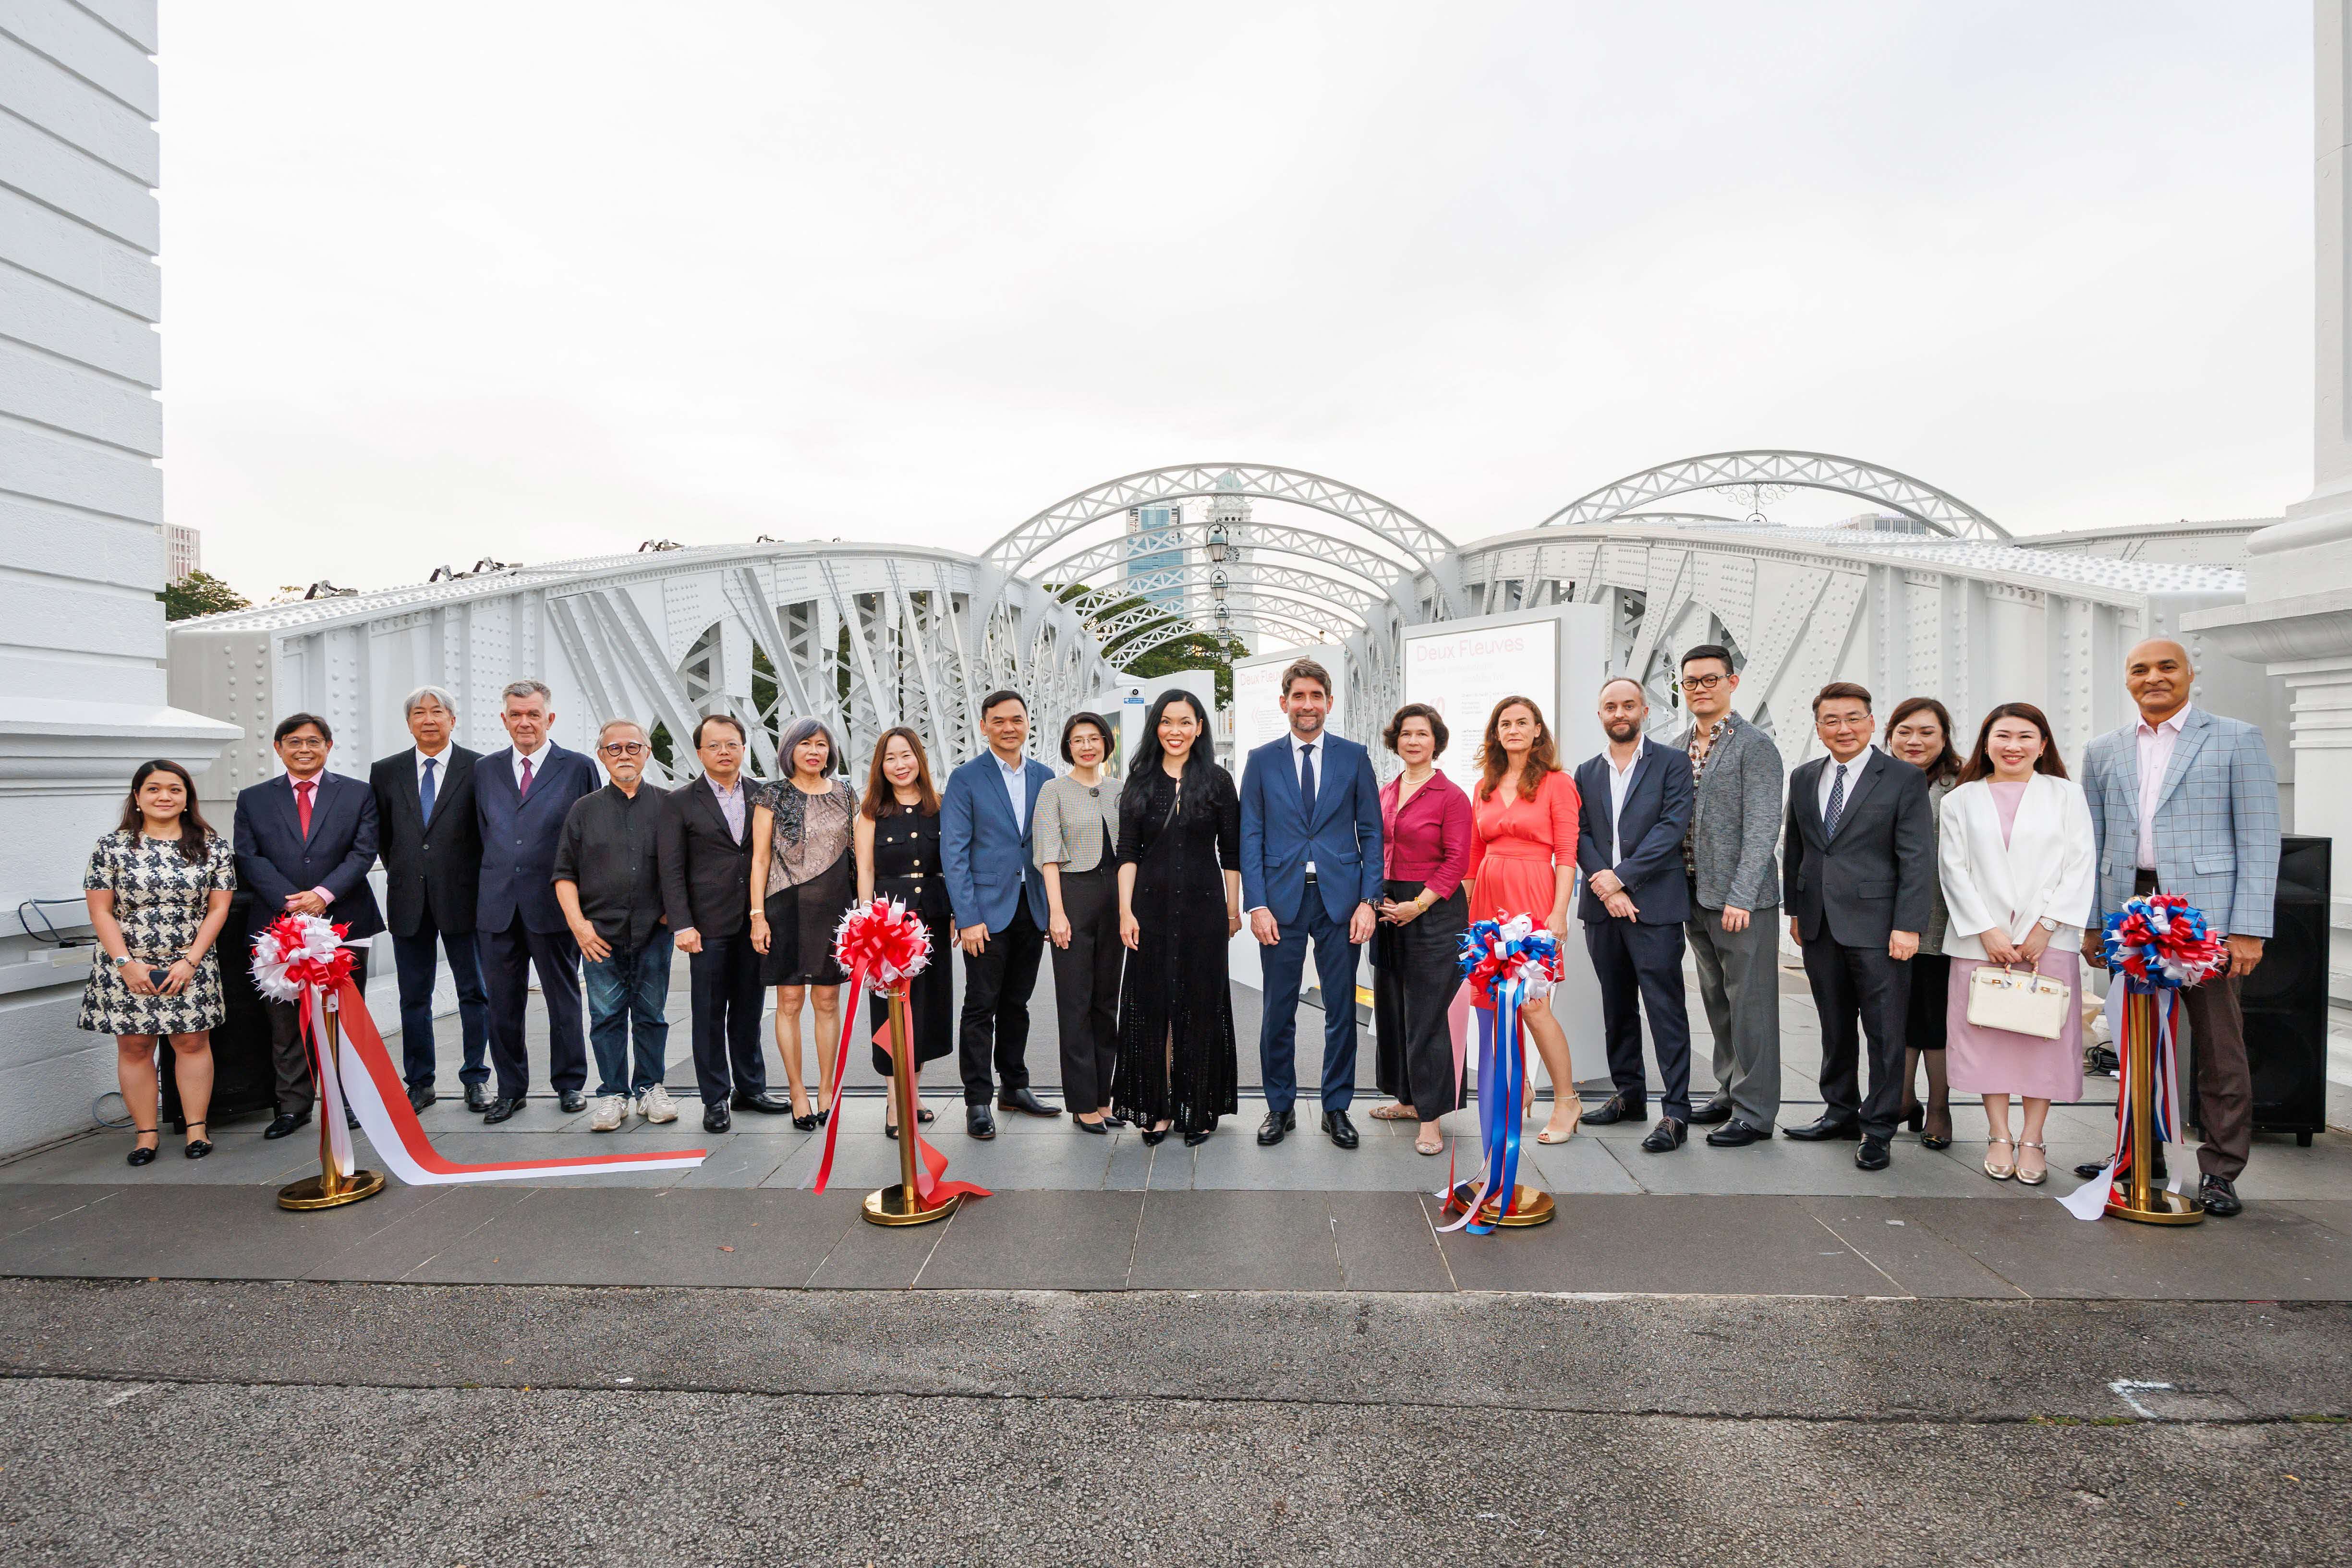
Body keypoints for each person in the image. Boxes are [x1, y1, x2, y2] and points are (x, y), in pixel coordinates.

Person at [2074, 639, 2279, 1217]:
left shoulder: (2235, 738)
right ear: (2127, 680)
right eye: (2139, 669)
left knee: (2217, 1043)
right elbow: (2093, 841)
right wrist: (2091, 923)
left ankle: (2220, 1169)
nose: (2153, 677)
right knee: (2134, 1040)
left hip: (2204, 916)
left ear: (2189, 673)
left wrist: (2248, 929)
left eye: (2166, 666)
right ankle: (2137, 1156)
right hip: (2128, 909)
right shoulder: (2102, 749)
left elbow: (2259, 838)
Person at [1939, 703, 2096, 1187]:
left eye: (2025, 736)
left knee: (2041, 1037)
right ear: (1985, 743)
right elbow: (1953, 869)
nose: (2013, 746)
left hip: (2047, 939)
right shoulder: (1960, 800)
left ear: (2042, 744)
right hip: (1980, 941)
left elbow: (2079, 863)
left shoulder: (2066, 795)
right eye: (2002, 736)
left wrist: (2045, 926)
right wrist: (1986, 929)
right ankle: (1998, 1133)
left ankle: (2032, 1137)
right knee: (1988, 1036)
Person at [1782, 681, 1935, 1171]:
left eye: (1852, 718)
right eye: (1831, 720)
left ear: (1871, 723)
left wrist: (1908, 925)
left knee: (1885, 1031)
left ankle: (1879, 1127)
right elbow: (1797, 848)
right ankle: (1839, 1112)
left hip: (1880, 926)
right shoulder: (1804, 777)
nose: (1842, 728)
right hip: (1819, 922)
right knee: (1834, 1025)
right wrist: (1795, 912)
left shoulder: (1903, 778)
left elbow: (1916, 857)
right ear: (1818, 727)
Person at [1238, 658, 1382, 1151]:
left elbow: (1372, 833)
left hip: (1341, 901)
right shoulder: (1261, 760)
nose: (1307, 705)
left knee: (1341, 1009)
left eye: (1315, 696)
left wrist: (1369, 900)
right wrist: (1256, 904)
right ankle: (1279, 1106)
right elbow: (1250, 835)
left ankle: (1335, 1107)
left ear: (1329, 702)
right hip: (1280, 902)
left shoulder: (1354, 757)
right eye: (1298, 696)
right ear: (1284, 703)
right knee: (1278, 1009)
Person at [232, 713, 385, 1140]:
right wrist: (291, 902)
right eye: (294, 741)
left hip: (343, 920)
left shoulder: (357, 793)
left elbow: (363, 852)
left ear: (328, 747)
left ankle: (348, 1099)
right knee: (284, 1020)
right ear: (279, 748)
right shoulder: (253, 798)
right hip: (275, 923)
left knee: (343, 1015)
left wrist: (323, 894)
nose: (304, 749)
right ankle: (293, 1105)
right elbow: (248, 856)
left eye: (314, 741)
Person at [80, 760, 235, 1164]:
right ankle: (145, 1135)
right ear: (137, 797)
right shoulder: (111, 846)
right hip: (126, 962)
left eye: (174, 789)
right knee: (135, 1045)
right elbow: (100, 911)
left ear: (187, 798)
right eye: (153, 789)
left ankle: (197, 1129)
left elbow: (218, 909)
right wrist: (126, 964)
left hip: (192, 958)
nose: (164, 796)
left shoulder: (213, 846)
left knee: (192, 1041)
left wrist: (190, 961)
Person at [1573, 678, 1697, 1154]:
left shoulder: (1671, 763)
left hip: (1654, 904)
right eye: (1610, 706)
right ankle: (1629, 1095)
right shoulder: (1586, 771)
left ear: (1644, 710)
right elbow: (1580, 833)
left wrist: (1620, 879)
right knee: (1617, 1005)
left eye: (1628, 705)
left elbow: (1671, 827)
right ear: (1600, 714)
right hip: (1602, 908)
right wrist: (1605, 885)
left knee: (1665, 1007)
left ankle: (1676, 1111)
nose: (1619, 713)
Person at [1114, 689, 1242, 1146]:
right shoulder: (1140, 781)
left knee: (1200, 1006)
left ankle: (1198, 1107)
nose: (1176, 731)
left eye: (1185, 722)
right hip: (1148, 908)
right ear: (1156, 727)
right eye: (1167, 722)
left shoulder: (1218, 782)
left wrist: (1232, 910)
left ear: (1200, 728)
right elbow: (1127, 853)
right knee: (1152, 1007)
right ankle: (1158, 1107)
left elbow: (1231, 853)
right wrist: (1125, 911)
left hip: (1205, 910)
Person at [473, 680, 600, 1124]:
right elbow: (482, 833)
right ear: (504, 719)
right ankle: (511, 1089)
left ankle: (570, 1083)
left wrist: (584, 908)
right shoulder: (485, 770)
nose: (524, 722)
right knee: (502, 1005)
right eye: (516, 714)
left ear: (550, 718)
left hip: (554, 904)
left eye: (533, 714)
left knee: (563, 999)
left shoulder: (578, 767)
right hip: (498, 905)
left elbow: (589, 838)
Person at [1673, 644, 1784, 1150]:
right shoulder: (1678, 746)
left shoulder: (1754, 745)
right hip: (1695, 895)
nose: (1700, 688)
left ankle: (1755, 1111)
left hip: (1741, 902)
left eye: (1710, 679)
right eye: (1691, 681)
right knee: (1718, 1001)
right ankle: (1728, 1089)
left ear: (1731, 682)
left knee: (1751, 1005)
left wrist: (1741, 895)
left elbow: (1763, 825)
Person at [658, 714, 789, 1134]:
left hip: (755, 921)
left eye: (732, 744)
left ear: (744, 749)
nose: (724, 752)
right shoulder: (679, 802)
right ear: (699, 752)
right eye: (714, 745)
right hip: (707, 925)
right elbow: (671, 869)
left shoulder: (763, 795)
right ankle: (715, 1097)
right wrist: (682, 924)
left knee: (750, 1011)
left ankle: (750, 1089)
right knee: (710, 1014)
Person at [941, 689, 1062, 1140]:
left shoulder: (1045, 776)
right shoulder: (966, 778)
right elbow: (954, 852)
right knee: (980, 1005)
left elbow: (1050, 844)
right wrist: (967, 916)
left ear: (1028, 723)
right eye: (999, 720)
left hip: (1032, 907)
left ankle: (1015, 1086)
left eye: (1017, 719)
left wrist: (1053, 909)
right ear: (984, 726)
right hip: (985, 913)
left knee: (1018, 1004)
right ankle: (977, 1099)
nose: (1009, 727)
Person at [1463, 695, 1583, 1143]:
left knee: (1533, 1005)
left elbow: (1567, 854)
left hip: (1534, 900)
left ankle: (1567, 1100)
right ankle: (1521, 1087)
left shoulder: (1557, 783)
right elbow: (1473, 854)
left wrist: (1559, 912)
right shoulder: (1484, 786)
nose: (1513, 729)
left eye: (1522, 722)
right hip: (1488, 901)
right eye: (1505, 723)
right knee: (1498, 1004)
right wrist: (1469, 916)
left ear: (1537, 731)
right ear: (1496, 733)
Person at [369, 685, 489, 1112]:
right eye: (419, 713)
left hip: (464, 898)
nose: (428, 719)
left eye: (437, 712)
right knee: (413, 996)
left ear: (452, 720)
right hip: (409, 900)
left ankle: (476, 1078)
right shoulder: (386, 771)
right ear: (409, 723)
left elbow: (487, 831)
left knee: (474, 992)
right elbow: (383, 836)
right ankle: (420, 1082)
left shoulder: (479, 767)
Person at [553, 719, 676, 1132]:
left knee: (652, 1015)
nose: (624, 754)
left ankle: (650, 1088)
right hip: (599, 936)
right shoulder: (583, 810)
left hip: (653, 934)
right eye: (614, 748)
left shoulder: (669, 806)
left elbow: (687, 867)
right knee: (605, 1016)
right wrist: (580, 927)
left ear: (647, 752)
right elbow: (564, 874)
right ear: (601, 756)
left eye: (633, 747)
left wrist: (673, 913)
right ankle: (612, 1094)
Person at [1368, 703, 1472, 1157]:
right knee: (1393, 1008)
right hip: (1390, 907)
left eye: (1422, 734)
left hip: (1434, 910)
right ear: (1396, 740)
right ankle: (1407, 1099)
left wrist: (1420, 904)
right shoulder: (1386, 791)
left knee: (1428, 1014)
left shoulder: (1452, 796)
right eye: (1406, 733)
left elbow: (1457, 860)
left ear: (1436, 741)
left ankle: (1431, 1118)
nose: (1413, 741)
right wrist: (1378, 900)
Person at [750, 717, 856, 1130]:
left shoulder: (846, 794)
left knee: (828, 1001)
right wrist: (757, 915)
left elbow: (860, 855)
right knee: (790, 1001)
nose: (815, 751)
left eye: (822, 744)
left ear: (831, 752)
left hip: (835, 909)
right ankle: (797, 1090)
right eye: (806, 744)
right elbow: (760, 858)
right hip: (784, 907)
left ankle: (827, 1088)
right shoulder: (772, 795)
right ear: (790, 750)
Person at [856, 727, 954, 1137]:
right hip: (889, 924)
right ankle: (895, 1103)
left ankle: (913, 1094)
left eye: (906, 755)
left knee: (925, 1010)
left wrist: (955, 913)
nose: (900, 765)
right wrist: (867, 923)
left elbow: (951, 862)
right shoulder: (870, 813)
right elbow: (865, 870)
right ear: (881, 765)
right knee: (891, 1010)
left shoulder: (941, 806)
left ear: (920, 759)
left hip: (932, 919)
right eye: (891, 758)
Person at [1035, 712, 1127, 1133]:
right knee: (1076, 1002)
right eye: (1078, 740)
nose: (1087, 746)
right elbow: (1048, 855)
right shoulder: (1053, 790)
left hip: (1116, 898)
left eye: (1094, 738)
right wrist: (1056, 912)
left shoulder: (1120, 790)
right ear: (1068, 747)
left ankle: (1104, 1098)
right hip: (1073, 895)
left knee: (1107, 1002)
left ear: (1106, 743)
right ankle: (1082, 1102)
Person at [1886, 695, 1963, 1150]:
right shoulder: (1878, 776)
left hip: (1942, 920)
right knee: (1895, 1013)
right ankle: (1901, 1098)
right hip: (1885, 918)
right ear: (1890, 735)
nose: (1915, 741)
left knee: (1934, 1016)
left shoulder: (1964, 784)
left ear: (1944, 737)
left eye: (1927, 732)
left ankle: (1938, 1107)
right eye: (1905, 731)